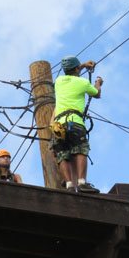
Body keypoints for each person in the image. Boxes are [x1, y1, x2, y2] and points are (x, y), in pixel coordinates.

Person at [52, 56, 103, 193]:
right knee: (80, 150)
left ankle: (69, 185)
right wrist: (98, 83)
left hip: (59, 125)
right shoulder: (83, 82)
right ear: (76, 68)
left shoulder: (58, 81)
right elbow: (96, 94)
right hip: (75, 122)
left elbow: (72, 70)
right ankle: (81, 183)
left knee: (62, 154)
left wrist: (83, 65)